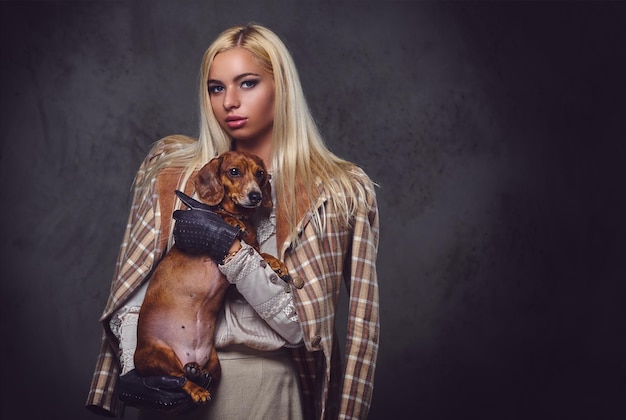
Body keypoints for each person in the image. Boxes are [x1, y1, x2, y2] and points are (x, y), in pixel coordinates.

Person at [86, 23, 379, 419]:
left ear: (281, 88)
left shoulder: (337, 191)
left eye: (248, 83)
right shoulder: (171, 171)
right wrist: (136, 366)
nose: (230, 102)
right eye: (217, 87)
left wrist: (232, 249)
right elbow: (137, 291)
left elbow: (308, 328)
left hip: (263, 390)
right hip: (172, 387)